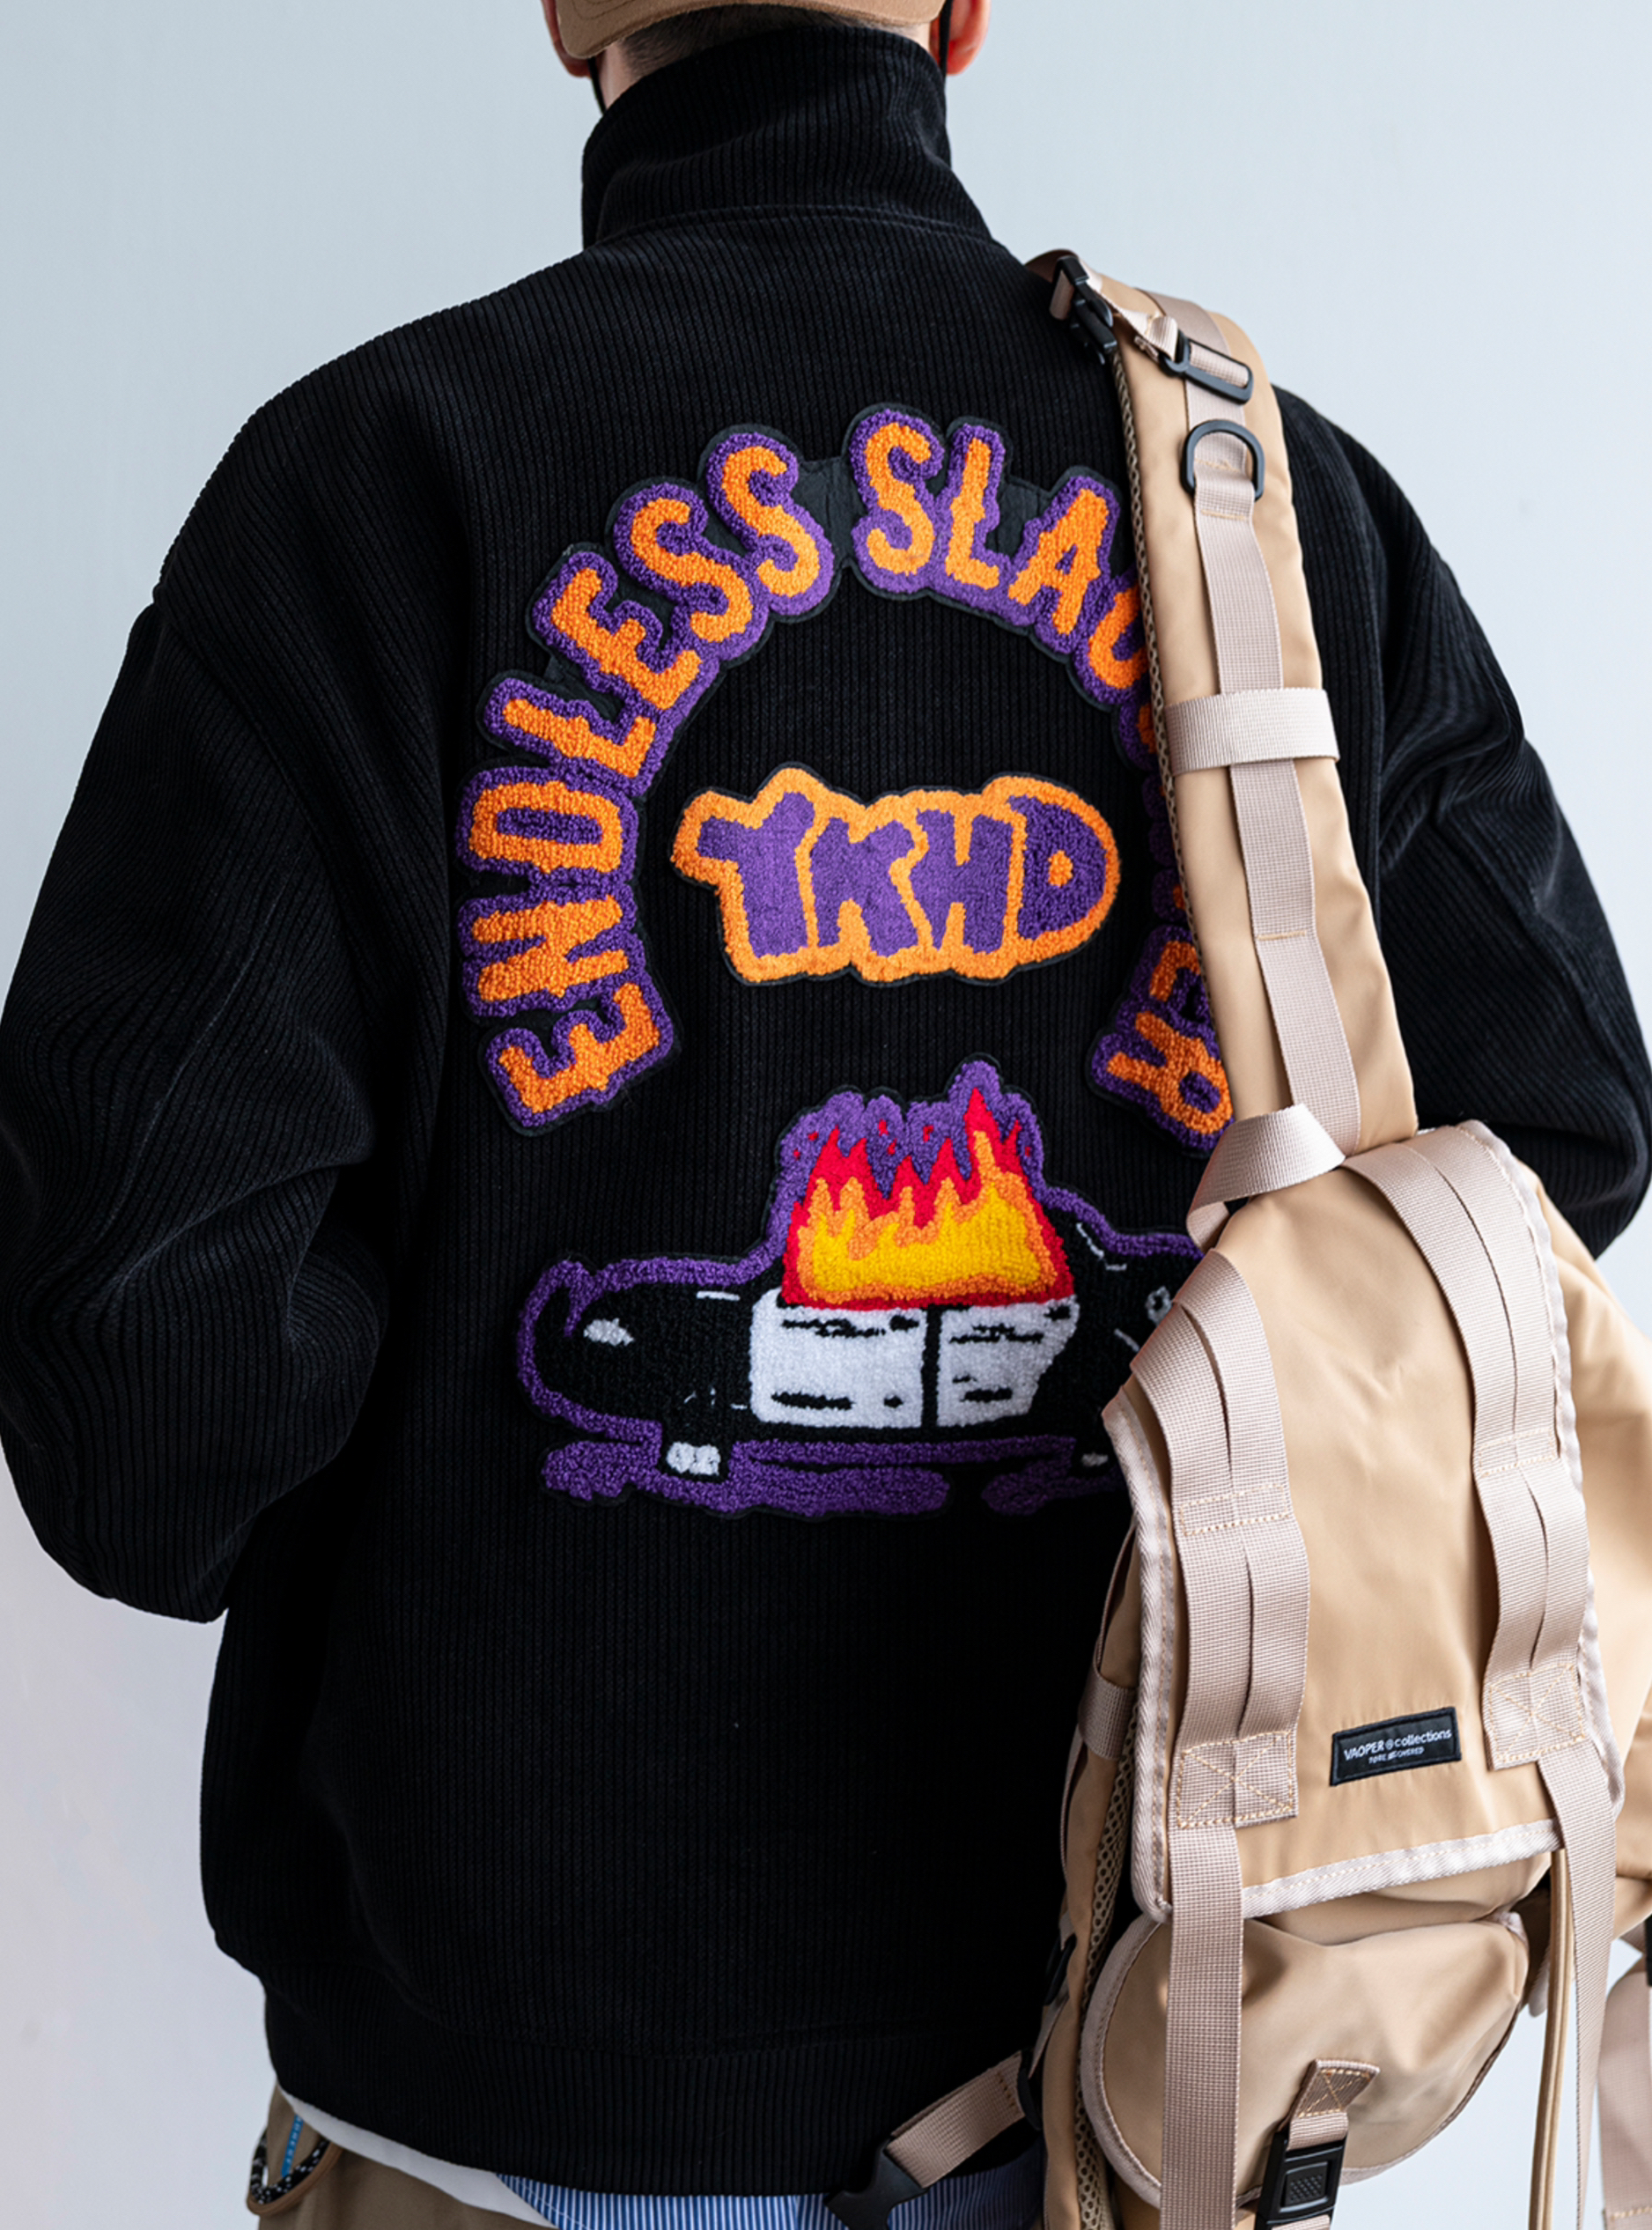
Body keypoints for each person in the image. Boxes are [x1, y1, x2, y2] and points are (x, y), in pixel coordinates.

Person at [1, 3, 1647, 2224]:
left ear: (568, 14)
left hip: (503, 2122)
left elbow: (142, 1421)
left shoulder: (369, 486)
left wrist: (471, 1397)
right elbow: (1556, 1134)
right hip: (1134, 2082)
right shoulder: (1268, 518)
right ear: (960, 12)